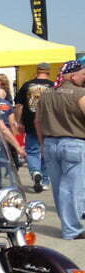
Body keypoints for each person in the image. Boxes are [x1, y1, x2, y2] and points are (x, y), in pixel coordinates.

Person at [36, 60, 85, 239]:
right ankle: (71, 229)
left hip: (50, 143)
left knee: (58, 188)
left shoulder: (46, 94)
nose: (84, 78)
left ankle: (68, 225)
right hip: (74, 143)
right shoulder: (80, 94)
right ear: (73, 75)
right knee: (72, 188)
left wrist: (42, 144)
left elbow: (37, 121)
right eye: (83, 74)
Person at [15, 63, 56, 192]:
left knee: (32, 151)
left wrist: (19, 121)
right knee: (46, 152)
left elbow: (19, 105)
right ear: (48, 72)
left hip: (30, 122)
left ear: (37, 71)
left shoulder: (27, 85)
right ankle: (45, 180)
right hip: (49, 124)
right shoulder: (54, 86)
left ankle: (35, 172)